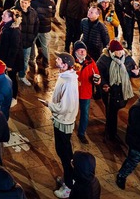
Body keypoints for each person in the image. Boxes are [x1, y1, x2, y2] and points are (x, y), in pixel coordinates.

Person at [41, 53, 78, 193]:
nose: (56, 60)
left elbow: (65, 106)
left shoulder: (68, 81)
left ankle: (69, 185)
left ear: (65, 64)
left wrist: (49, 105)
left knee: (65, 154)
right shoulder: (66, 76)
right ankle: (68, 178)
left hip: (63, 120)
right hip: (61, 120)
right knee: (63, 151)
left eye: (59, 59)